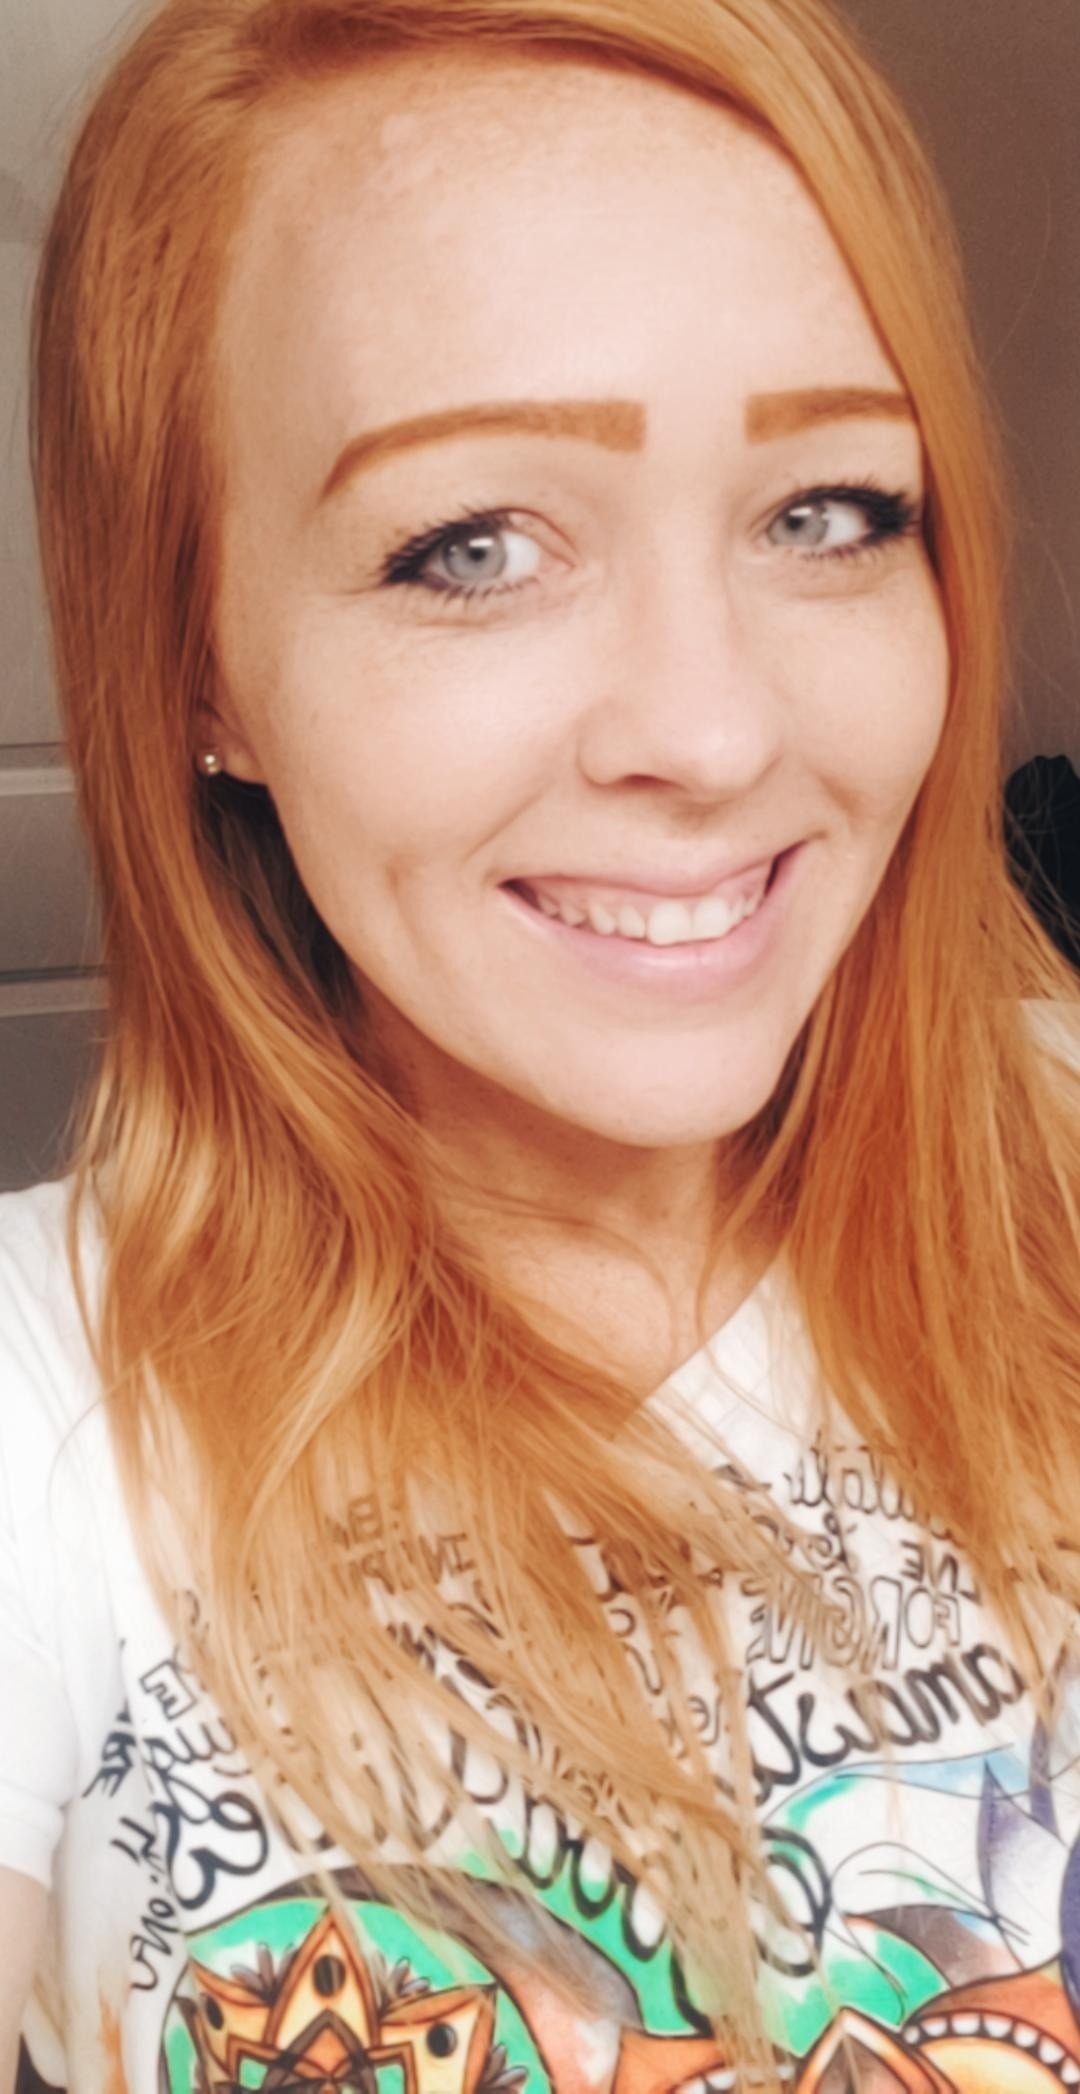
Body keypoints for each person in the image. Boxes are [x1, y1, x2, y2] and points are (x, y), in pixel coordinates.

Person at [2, 0, 1080, 2086]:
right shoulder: (47, 1418)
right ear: (200, 662)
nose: (714, 729)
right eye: (471, 547)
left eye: (828, 510)